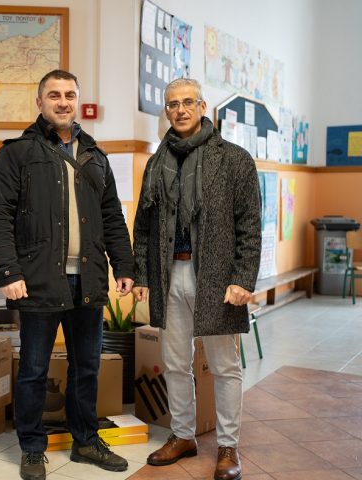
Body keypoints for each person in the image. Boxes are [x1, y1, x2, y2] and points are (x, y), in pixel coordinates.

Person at [0, 69, 135, 480]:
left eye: (70, 95)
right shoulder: (17, 153)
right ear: (40, 102)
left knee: (87, 367)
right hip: (37, 279)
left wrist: (123, 266)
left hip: (88, 279)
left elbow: (112, 216)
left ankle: (85, 441)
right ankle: (32, 448)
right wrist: (8, 272)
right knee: (34, 369)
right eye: (54, 95)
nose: (63, 102)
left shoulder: (96, 155)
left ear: (78, 101)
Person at [132, 78, 261, 480]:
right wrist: (141, 274)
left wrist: (243, 278)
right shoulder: (156, 162)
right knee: (175, 363)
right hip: (168, 274)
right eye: (173, 104)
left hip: (217, 279)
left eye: (189, 102)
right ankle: (183, 436)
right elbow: (144, 225)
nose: (181, 110)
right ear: (166, 111)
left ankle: (227, 446)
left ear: (203, 107)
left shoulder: (234, 159)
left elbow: (250, 226)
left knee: (225, 366)